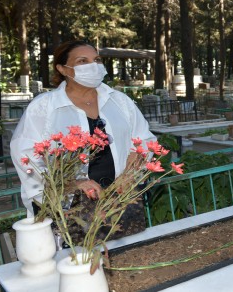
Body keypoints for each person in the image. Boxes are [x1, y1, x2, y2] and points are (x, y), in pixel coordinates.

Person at [11, 40, 156, 217]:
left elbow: (144, 141)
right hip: (68, 204)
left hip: (120, 198)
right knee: (75, 244)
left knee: (123, 243)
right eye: (82, 61)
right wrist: (70, 184)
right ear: (62, 69)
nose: (93, 66)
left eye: (97, 60)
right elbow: (25, 154)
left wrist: (129, 176)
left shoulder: (119, 101)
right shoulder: (44, 107)